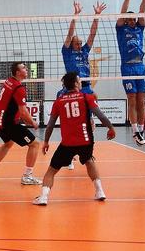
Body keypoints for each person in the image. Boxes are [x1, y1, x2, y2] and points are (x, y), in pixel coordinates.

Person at [34, 72, 116, 205]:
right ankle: (100, 191)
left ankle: (43, 197)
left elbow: (50, 125)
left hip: (67, 143)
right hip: (85, 140)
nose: (81, 82)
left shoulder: (59, 101)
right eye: (79, 80)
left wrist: (46, 141)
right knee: (89, 161)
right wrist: (111, 128)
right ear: (76, 83)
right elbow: (101, 116)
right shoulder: (86, 97)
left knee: (52, 170)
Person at [0, 62, 42, 185]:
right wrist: (33, 122)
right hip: (8, 124)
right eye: (24, 68)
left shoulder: (9, 81)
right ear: (17, 72)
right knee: (35, 144)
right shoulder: (19, 88)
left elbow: (12, 104)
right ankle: (27, 176)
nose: (26, 69)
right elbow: (23, 112)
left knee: (8, 143)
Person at [116, 0, 145, 145]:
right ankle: (134, 131)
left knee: (141, 99)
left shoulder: (139, 28)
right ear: (125, 21)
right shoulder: (121, 29)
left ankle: (141, 129)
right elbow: (122, 13)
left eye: (133, 19)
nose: (132, 21)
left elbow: (142, 12)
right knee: (131, 98)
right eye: (129, 19)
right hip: (127, 66)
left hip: (140, 66)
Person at [61, 0, 105, 95]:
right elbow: (70, 34)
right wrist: (76, 14)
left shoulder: (84, 50)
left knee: (94, 97)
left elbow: (92, 34)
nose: (80, 46)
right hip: (73, 86)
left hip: (86, 85)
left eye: (81, 43)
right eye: (77, 44)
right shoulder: (67, 52)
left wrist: (97, 16)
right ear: (71, 44)